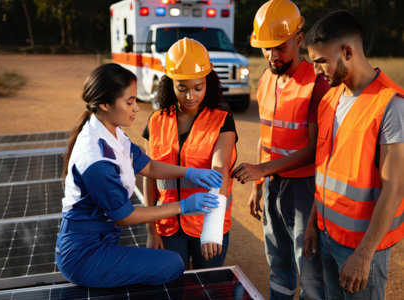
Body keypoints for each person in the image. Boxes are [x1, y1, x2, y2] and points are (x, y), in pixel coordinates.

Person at [55, 63, 224, 288]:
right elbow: (125, 217)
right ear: (105, 104)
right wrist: (182, 206)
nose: (136, 108)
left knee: (167, 264)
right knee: (173, 264)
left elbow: (150, 167)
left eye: (135, 100)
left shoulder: (112, 132)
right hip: (83, 256)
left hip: (99, 243)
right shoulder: (96, 159)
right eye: (129, 102)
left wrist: (190, 172)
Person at [231, 0, 329, 298]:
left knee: (309, 268)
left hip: (306, 190)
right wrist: (259, 185)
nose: (272, 55)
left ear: (299, 39)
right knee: (278, 262)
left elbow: (313, 150)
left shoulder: (317, 83)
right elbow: (267, 136)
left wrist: (261, 170)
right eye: (266, 48)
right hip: (274, 185)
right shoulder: (264, 81)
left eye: (280, 47)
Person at [303, 10, 404, 298]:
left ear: (347, 51)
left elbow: (395, 189)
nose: (316, 70)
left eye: (321, 61)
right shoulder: (330, 99)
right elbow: (325, 170)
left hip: (361, 248)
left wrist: (363, 255)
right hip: (325, 233)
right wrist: (313, 223)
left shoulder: (391, 107)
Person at [142, 38, 237, 269]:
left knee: (208, 288)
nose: (190, 96)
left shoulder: (222, 120)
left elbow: (220, 168)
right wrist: (151, 229)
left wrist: (212, 229)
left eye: (198, 87)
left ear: (208, 82)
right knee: (174, 287)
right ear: (170, 84)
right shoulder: (156, 121)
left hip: (206, 224)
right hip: (167, 226)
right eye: (182, 88)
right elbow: (149, 175)